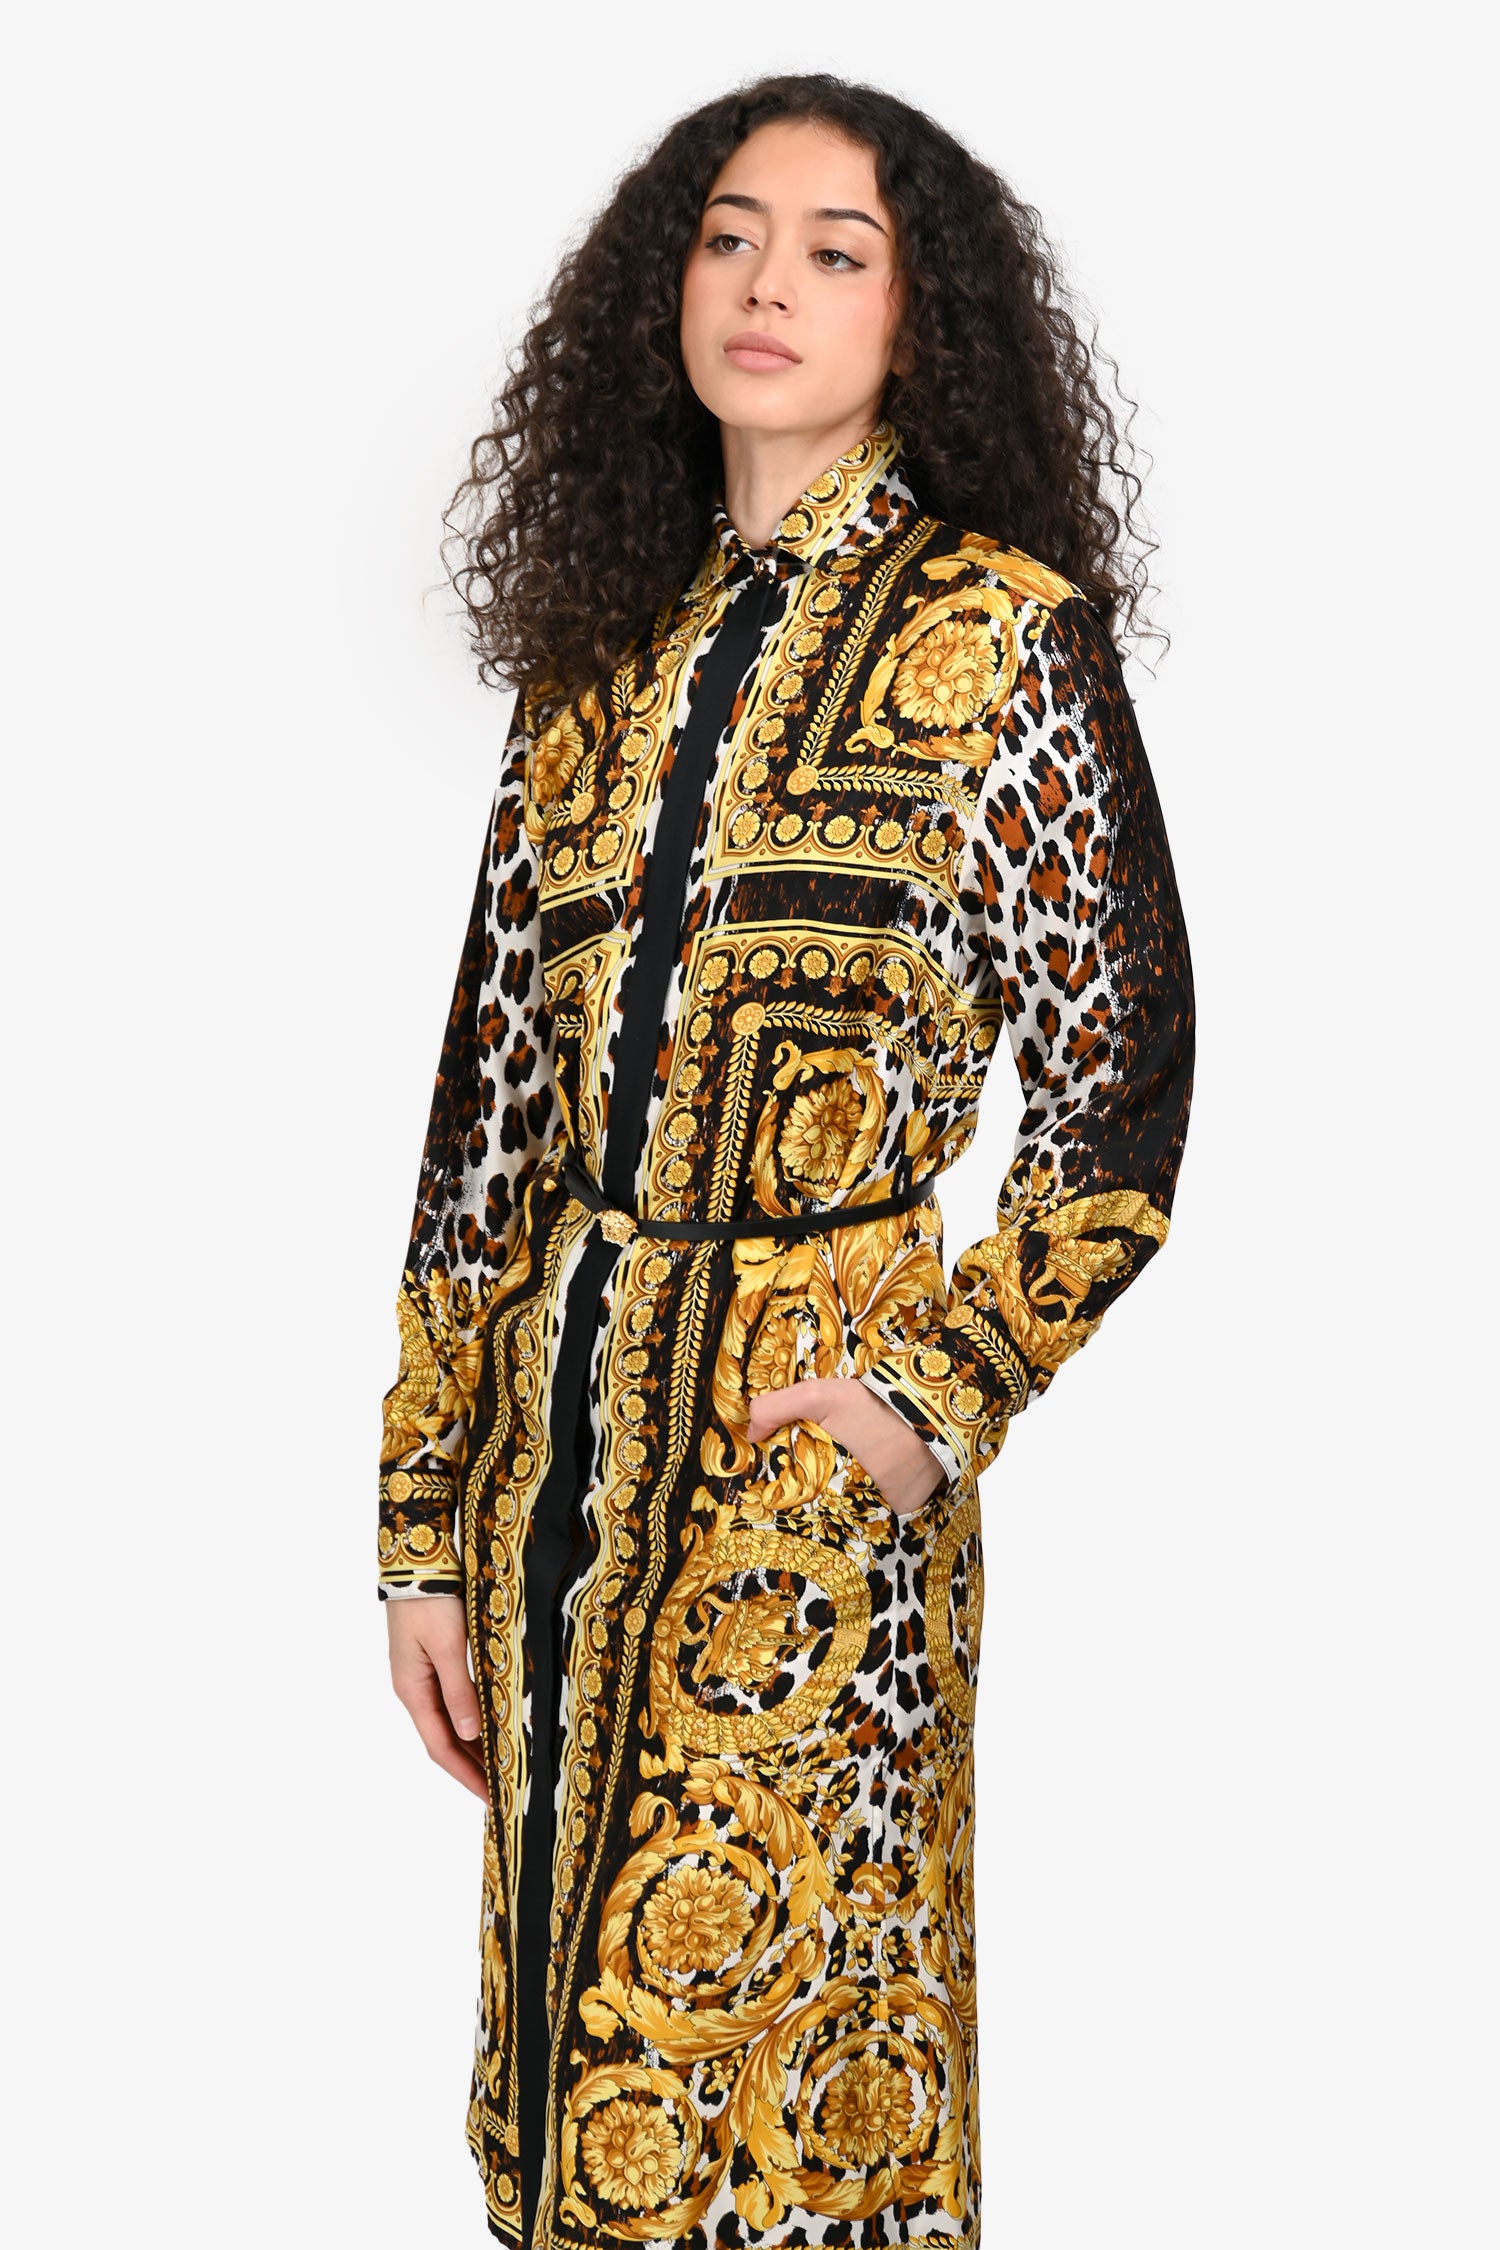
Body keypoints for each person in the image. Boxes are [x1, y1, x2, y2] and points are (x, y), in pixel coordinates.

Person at [378, 72, 1194, 2250]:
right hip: (559, 1463)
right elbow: (484, 1130)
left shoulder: (1001, 639)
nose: (768, 283)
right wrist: (424, 1533)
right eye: (732, 235)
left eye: (838, 250)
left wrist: (929, 1399)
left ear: (920, 317)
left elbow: (1118, 1100)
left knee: (803, 2092)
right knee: (566, 2090)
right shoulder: (597, 662)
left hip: (810, 1472)